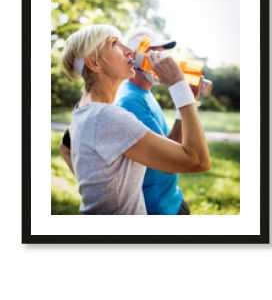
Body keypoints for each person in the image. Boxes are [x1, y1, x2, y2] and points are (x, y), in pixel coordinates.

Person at [61, 24, 211, 215]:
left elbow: (65, 147)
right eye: (115, 43)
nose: (129, 52)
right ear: (95, 63)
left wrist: (97, 187)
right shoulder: (107, 116)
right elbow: (198, 161)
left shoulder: (85, 111)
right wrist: (179, 86)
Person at [115, 27, 201, 215]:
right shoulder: (130, 100)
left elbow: (169, 142)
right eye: (155, 54)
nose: (164, 61)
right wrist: (183, 101)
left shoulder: (144, 92)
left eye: (163, 54)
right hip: (157, 209)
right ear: (135, 57)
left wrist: (186, 101)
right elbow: (169, 161)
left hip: (172, 198)